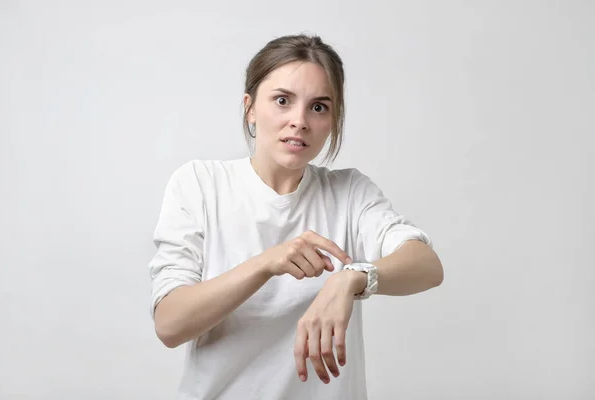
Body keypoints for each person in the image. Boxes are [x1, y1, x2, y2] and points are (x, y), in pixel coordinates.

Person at [148, 33, 444, 400]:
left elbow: (427, 265)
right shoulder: (200, 184)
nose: (299, 121)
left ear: (334, 119)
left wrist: (352, 277)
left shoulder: (349, 192)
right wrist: (266, 263)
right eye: (283, 101)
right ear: (250, 107)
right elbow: (170, 324)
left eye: (318, 107)